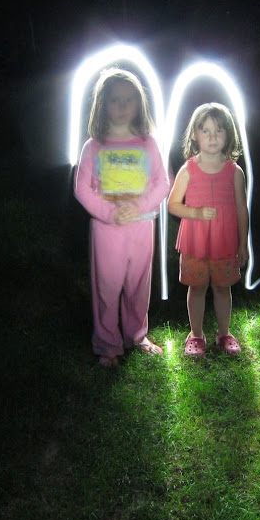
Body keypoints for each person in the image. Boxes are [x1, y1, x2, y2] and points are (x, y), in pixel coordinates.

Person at [74, 68, 169, 367]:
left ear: (139, 103)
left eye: (129, 99)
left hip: (142, 226)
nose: (122, 106)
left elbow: (162, 183)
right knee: (107, 287)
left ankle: (136, 335)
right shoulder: (93, 145)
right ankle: (107, 344)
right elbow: (82, 189)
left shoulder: (148, 142)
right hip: (107, 230)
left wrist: (139, 207)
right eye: (115, 100)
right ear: (103, 104)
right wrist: (109, 213)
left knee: (139, 286)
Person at [168, 102, 249, 356]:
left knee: (223, 288)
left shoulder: (234, 172)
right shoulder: (188, 170)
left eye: (219, 130)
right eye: (205, 130)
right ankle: (196, 335)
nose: (212, 137)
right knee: (197, 287)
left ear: (229, 134)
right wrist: (196, 213)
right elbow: (172, 205)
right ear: (194, 134)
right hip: (196, 241)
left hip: (225, 242)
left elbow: (241, 209)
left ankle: (224, 334)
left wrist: (243, 243)